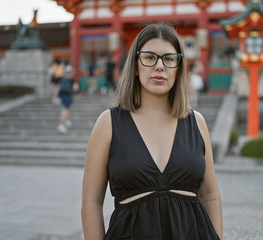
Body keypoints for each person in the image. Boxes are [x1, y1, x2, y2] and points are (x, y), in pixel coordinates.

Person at [82, 23, 223, 239]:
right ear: (136, 66)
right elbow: (92, 202)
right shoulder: (109, 123)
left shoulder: (197, 122)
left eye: (168, 58)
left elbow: (211, 195)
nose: (159, 66)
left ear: (179, 67)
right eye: (149, 57)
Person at [55, 63, 77, 134]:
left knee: (66, 109)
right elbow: (75, 88)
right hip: (67, 96)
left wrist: (55, 97)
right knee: (66, 109)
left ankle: (67, 120)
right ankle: (61, 124)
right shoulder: (71, 80)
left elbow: (57, 88)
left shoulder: (61, 79)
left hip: (62, 96)